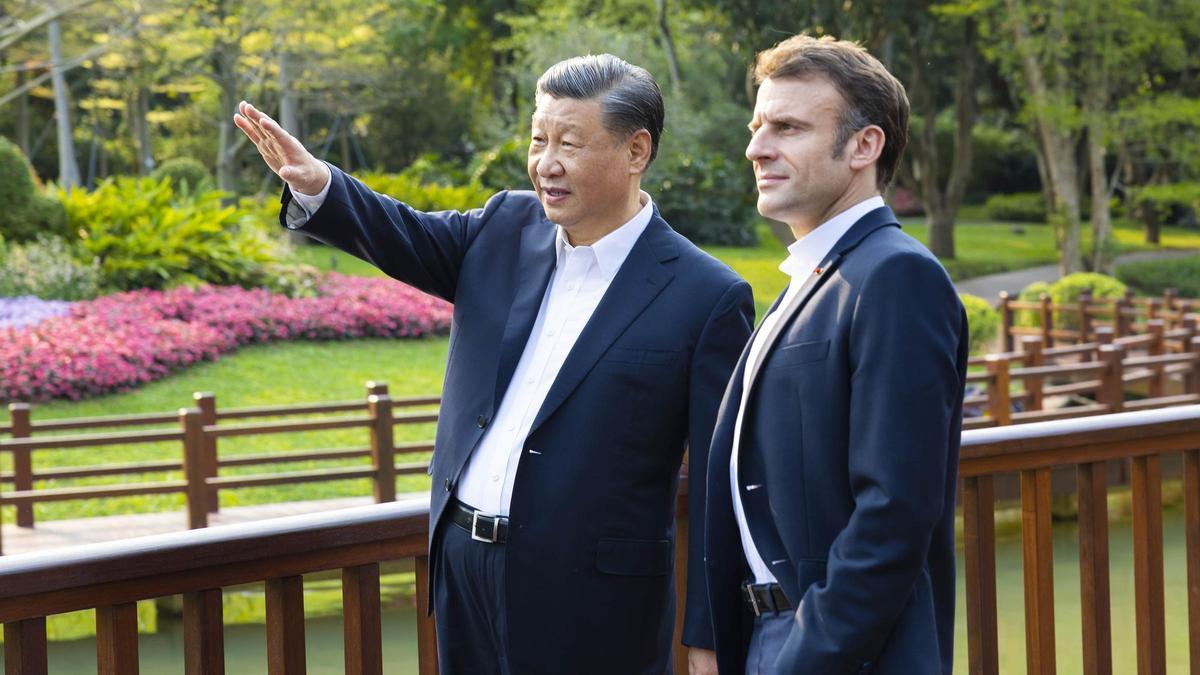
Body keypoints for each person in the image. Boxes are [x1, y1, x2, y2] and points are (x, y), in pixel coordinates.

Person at [234, 54, 753, 675]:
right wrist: (318, 182)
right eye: (538, 139)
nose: (545, 163)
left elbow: (722, 483)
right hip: (463, 570)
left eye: (569, 142)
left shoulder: (705, 295)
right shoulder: (506, 226)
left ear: (636, 150)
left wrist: (709, 635)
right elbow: (405, 234)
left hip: (595, 606)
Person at [697, 35, 968, 675]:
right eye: (758, 126)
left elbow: (893, 514)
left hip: (836, 652)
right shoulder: (813, 274)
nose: (757, 148)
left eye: (787, 127)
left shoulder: (897, 278)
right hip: (765, 637)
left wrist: (805, 658)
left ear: (863, 146)